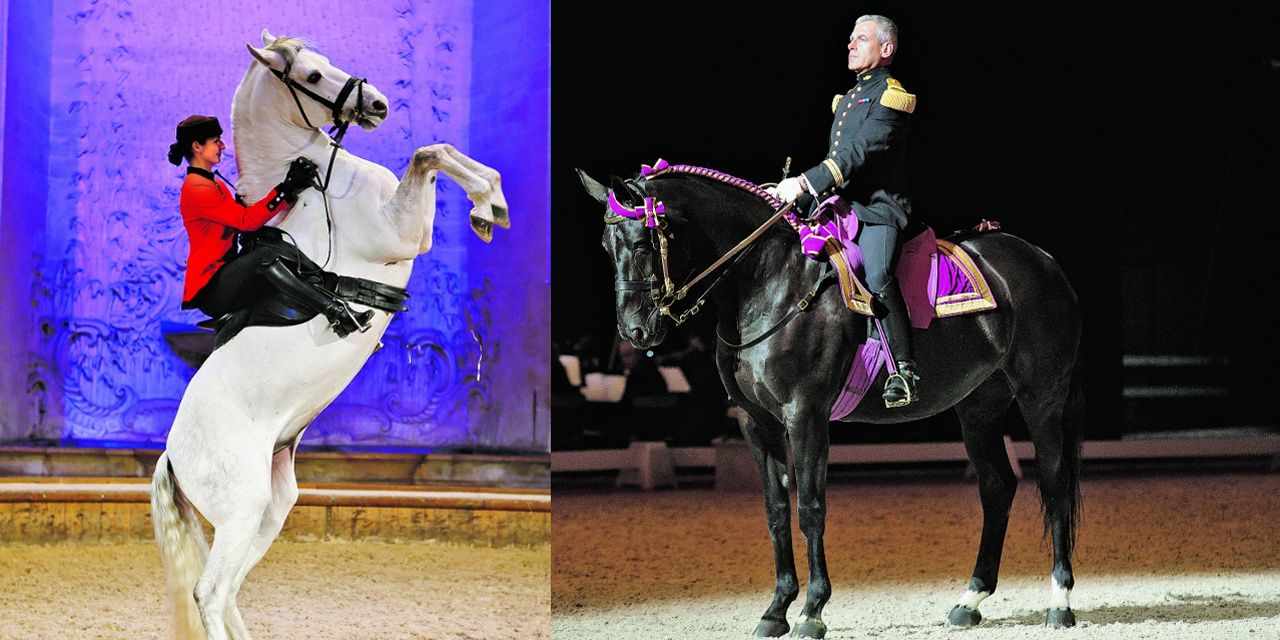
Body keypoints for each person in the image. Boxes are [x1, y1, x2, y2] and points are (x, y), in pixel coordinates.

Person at [768, 14, 919, 408]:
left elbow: (856, 156)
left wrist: (804, 182)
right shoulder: (850, 98)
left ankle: (903, 369)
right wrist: (794, 196)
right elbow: (837, 161)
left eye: (861, 39)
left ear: (885, 49)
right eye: (851, 38)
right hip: (841, 205)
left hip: (878, 210)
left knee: (877, 271)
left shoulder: (891, 97)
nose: (850, 44)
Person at [167, 115, 372, 337]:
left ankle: (335, 288)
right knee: (265, 256)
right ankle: (337, 313)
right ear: (197, 146)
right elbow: (246, 221)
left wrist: (288, 188)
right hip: (211, 288)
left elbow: (239, 224)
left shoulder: (212, 182)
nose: (223, 146)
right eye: (216, 140)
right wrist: (286, 188)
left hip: (225, 271)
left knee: (273, 242)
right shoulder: (197, 189)